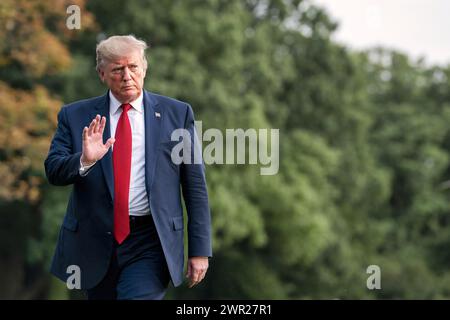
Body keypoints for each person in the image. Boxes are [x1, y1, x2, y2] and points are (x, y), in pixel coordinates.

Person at [44, 35, 212, 300]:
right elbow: (53, 170)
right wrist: (85, 160)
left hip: (151, 241)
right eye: (117, 70)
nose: (127, 76)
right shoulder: (75, 115)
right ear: (102, 74)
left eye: (133, 67)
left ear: (144, 67)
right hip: (95, 241)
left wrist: (200, 249)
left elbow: (195, 186)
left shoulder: (177, 114)